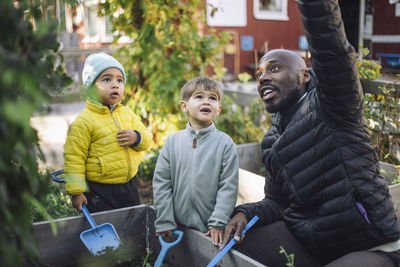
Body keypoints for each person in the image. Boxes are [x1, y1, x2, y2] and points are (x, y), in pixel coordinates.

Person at [221, 0, 400, 266]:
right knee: (232, 247)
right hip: (310, 243)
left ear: (304, 75)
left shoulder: (334, 104)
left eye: (274, 68)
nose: (263, 78)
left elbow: (333, 51)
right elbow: (277, 203)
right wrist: (245, 212)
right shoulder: (271, 141)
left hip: (370, 243)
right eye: (259, 74)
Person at [153, 77, 239, 246]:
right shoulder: (172, 142)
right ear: (184, 106)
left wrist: (218, 221)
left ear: (218, 109)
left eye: (212, 98)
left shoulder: (225, 144)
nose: (206, 101)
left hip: (209, 227)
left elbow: (228, 186)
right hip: (177, 225)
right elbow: (162, 183)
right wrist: (165, 219)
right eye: (199, 97)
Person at [64, 52, 152, 213]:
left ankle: (129, 239)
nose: (115, 84)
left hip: (129, 185)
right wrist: (76, 192)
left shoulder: (127, 113)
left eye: (120, 80)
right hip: (99, 190)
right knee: (106, 224)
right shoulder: (84, 122)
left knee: (131, 226)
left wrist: (136, 137)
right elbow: (74, 159)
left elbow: (147, 138)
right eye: (107, 79)